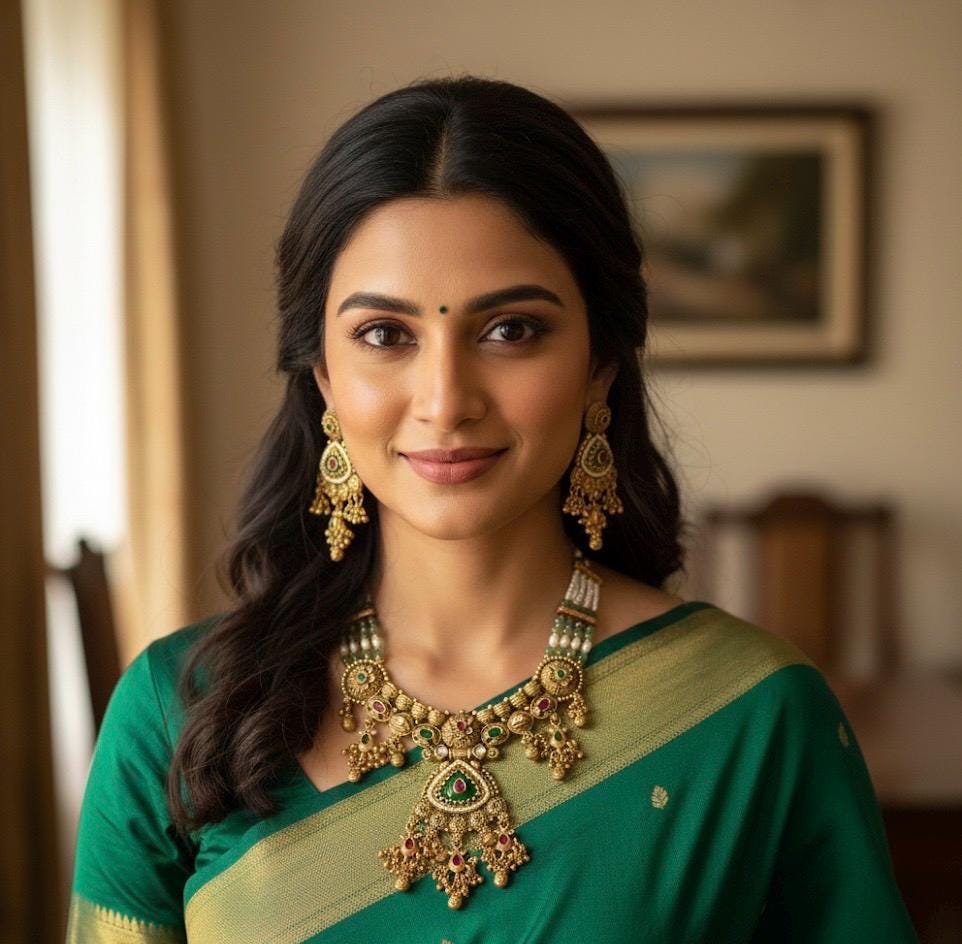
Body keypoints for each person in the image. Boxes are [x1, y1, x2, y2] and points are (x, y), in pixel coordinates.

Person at [66, 75, 918, 943]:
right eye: (384, 335)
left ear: (600, 362)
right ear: (322, 374)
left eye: (510, 330)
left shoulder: (754, 714)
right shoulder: (181, 711)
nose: (446, 400)